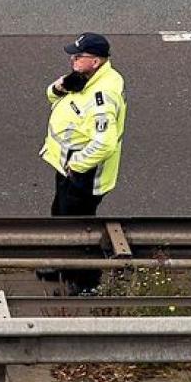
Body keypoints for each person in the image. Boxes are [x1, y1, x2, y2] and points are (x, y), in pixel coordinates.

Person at [39, 32, 127, 294]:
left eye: (79, 56)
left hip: (83, 171)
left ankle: (86, 282)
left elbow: (105, 143)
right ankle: (62, 265)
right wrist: (61, 87)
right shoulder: (86, 79)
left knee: (81, 228)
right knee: (61, 217)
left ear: (96, 61)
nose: (72, 60)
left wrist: (76, 165)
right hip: (67, 164)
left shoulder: (103, 95)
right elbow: (54, 97)